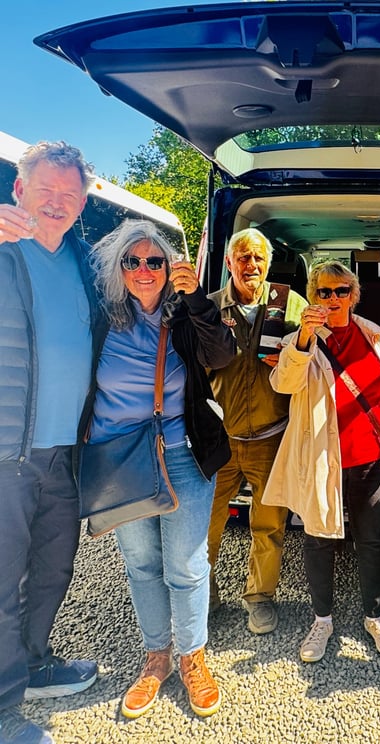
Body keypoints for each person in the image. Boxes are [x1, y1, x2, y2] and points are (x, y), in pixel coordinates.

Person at [83, 220, 236, 719]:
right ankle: (156, 658)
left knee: (186, 568)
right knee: (142, 564)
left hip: (182, 454)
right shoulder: (101, 316)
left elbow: (223, 356)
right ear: (119, 268)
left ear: (171, 267)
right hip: (118, 461)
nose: (145, 270)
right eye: (134, 261)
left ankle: (193, 657)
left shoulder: (185, 315)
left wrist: (198, 302)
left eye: (155, 261)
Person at [0, 141, 101, 744]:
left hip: (65, 455)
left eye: (70, 194)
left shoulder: (84, 263)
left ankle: (32, 664)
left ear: (84, 202)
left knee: (53, 569)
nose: (57, 203)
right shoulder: (3, 250)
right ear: (19, 191)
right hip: (7, 451)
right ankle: (5, 707)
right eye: (46, 191)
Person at [262, 261, 380, 662]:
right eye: (324, 292)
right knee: (319, 540)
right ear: (312, 295)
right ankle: (322, 620)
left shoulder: (376, 337)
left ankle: (375, 617)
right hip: (322, 459)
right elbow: (284, 384)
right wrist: (305, 337)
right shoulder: (299, 340)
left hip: (369, 458)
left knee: (372, 542)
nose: (332, 299)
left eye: (341, 291)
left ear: (354, 294)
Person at [206, 228, 307, 632]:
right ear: (229, 262)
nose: (251, 265)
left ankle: (260, 598)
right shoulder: (209, 307)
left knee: (269, 526)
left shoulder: (289, 303)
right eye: (243, 257)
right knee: (205, 525)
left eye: (259, 259)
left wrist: (294, 354)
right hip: (220, 440)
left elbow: (312, 356)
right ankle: (203, 595)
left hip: (270, 437)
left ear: (268, 264)